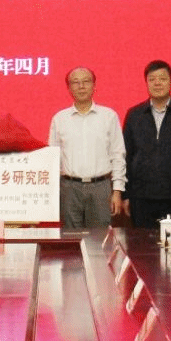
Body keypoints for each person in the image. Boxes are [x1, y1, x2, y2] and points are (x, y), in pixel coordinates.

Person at [122, 60, 171, 228]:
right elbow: (127, 156)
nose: (157, 83)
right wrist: (126, 194)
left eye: (162, 78)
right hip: (141, 197)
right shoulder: (134, 115)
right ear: (146, 83)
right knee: (143, 243)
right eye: (152, 79)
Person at [49, 67, 126, 228]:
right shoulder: (60, 119)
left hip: (101, 187)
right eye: (75, 82)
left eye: (86, 81)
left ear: (94, 86)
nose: (81, 86)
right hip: (69, 188)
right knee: (71, 238)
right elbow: (53, 158)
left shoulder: (109, 116)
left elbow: (118, 155)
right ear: (69, 88)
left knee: (100, 238)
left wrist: (117, 191)